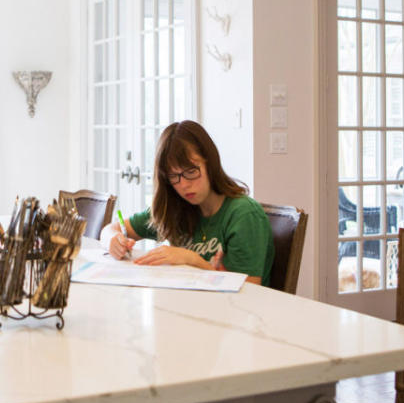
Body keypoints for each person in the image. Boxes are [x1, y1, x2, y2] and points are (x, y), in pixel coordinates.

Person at [100, 120, 274, 285]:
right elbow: (111, 229)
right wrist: (112, 240)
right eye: (174, 176)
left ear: (210, 163)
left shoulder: (243, 215)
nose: (184, 185)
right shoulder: (176, 207)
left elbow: (250, 289)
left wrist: (191, 259)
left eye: (191, 171)